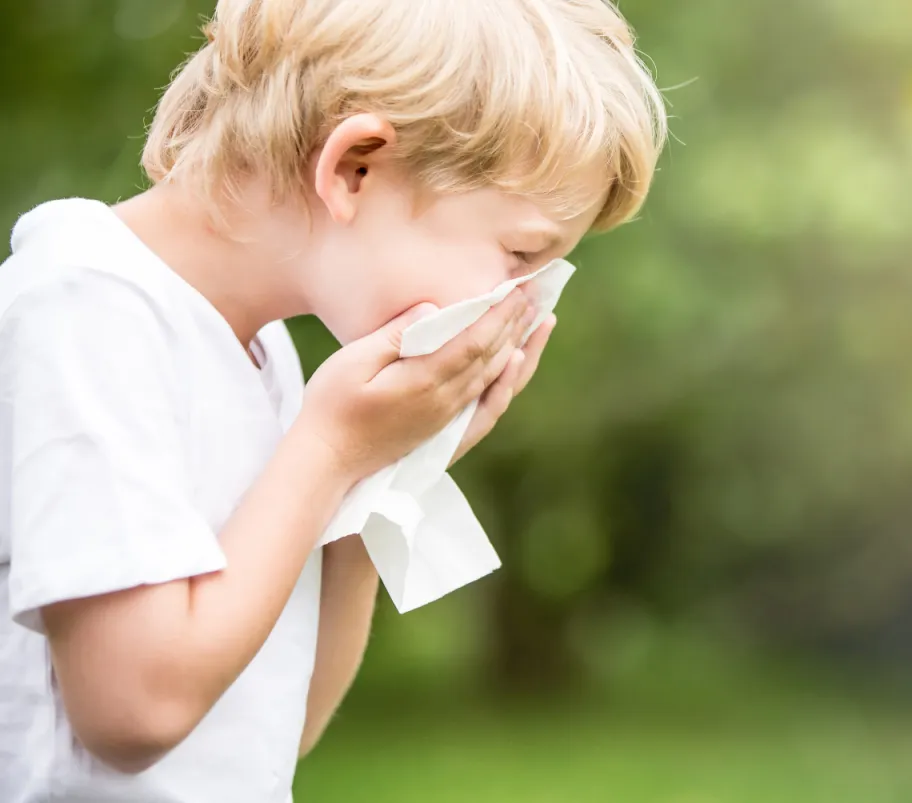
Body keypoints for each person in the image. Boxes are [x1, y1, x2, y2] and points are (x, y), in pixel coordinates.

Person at [0, 0, 666, 800]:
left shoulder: (262, 353)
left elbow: (283, 726)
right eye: (521, 253)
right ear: (354, 167)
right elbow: (136, 710)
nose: (518, 300)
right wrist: (332, 450)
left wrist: (377, 472)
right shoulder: (87, 303)